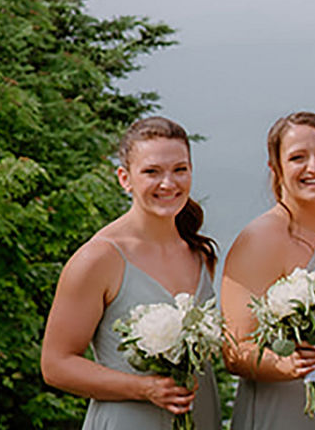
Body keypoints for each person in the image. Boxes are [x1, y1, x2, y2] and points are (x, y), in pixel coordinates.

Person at [41, 116, 223, 430]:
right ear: (125, 178)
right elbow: (56, 365)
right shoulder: (98, 258)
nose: (169, 183)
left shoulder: (199, 253)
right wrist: (145, 389)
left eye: (180, 170)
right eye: (152, 172)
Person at [223, 112, 315, 430]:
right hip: (282, 407)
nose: (314, 167)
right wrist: (287, 365)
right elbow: (234, 350)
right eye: (298, 157)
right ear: (276, 169)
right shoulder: (258, 240)